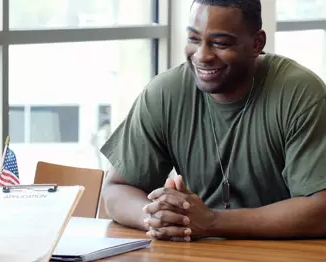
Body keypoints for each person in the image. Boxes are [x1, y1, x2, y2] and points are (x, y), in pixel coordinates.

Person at [100, 0, 326, 242]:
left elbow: (320, 211)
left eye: (220, 43)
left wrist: (211, 222)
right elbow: (115, 190)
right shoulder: (166, 93)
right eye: (194, 39)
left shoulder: (300, 93)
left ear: (257, 43)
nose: (202, 55)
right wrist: (158, 218)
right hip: (197, 252)